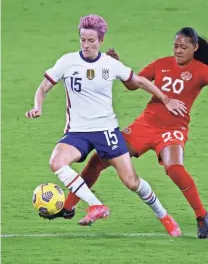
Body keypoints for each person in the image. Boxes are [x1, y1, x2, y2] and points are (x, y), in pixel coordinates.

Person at [53, 27, 208, 239]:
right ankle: (69, 206)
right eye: (176, 46)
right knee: (99, 159)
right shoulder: (162, 64)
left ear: (195, 47)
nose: (178, 51)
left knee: (174, 168)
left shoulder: (201, 70)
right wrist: (119, 65)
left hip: (173, 129)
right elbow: (134, 84)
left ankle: (201, 215)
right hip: (145, 125)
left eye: (184, 47)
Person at [25, 14, 188, 235]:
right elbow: (43, 87)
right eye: (83, 39)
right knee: (57, 161)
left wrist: (166, 100)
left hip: (106, 131)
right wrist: (37, 107)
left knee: (132, 182)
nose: (86, 45)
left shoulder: (110, 64)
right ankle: (96, 205)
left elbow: (139, 81)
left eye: (91, 41)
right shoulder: (67, 61)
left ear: (101, 40)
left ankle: (165, 216)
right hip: (78, 132)